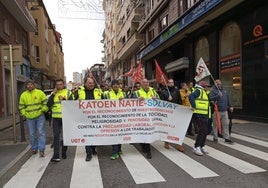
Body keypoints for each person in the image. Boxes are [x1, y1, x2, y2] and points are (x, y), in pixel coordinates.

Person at [73, 77, 102, 161]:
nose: (91, 84)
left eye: (92, 83)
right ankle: (88, 153)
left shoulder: (98, 91)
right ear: (85, 83)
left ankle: (93, 149)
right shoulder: (78, 91)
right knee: (87, 135)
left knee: (95, 135)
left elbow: (105, 101)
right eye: (89, 83)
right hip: (84, 117)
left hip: (96, 117)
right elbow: (71, 102)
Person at [19, 79, 48, 157]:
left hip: (40, 116)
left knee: (41, 133)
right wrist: (24, 114)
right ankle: (34, 148)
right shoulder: (23, 95)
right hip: (29, 117)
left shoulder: (39, 93)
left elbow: (45, 103)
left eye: (31, 84)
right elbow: (21, 106)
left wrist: (43, 110)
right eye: (28, 84)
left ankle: (41, 149)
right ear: (26, 86)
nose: (30, 86)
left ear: (34, 85)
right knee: (32, 134)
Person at [47, 79, 73, 162]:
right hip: (55, 118)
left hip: (65, 117)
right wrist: (53, 95)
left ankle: (64, 152)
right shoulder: (53, 93)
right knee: (56, 136)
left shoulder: (68, 92)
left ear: (63, 85)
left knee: (65, 136)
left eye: (60, 84)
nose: (59, 86)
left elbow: (72, 104)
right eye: (57, 84)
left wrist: (64, 101)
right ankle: (56, 155)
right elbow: (48, 105)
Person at [133, 78, 159, 159]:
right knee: (142, 132)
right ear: (141, 84)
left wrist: (156, 99)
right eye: (143, 82)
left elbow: (159, 100)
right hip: (140, 116)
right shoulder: (137, 92)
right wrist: (137, 99)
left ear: (149, 83)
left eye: (146, 82)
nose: (145, 84)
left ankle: (148, 151)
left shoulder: (153, 91)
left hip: (150, 116)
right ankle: (142, 144)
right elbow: (130, 102)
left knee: (147, 132)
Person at [103, 79, 126, 160]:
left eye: (117, 84)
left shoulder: (123, 94)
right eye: (114, 84)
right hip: (111, 118)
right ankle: (115, 152)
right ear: (111, 86)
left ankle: (119, 149)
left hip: (121, 117)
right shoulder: (106, 94)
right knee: (113, 134)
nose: (116, 85)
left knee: (119, 134)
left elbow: (128, 104)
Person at [160, 79, 185, 152]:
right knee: (168, 129)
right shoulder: (164, 92)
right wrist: (168, 100)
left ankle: (179, 144)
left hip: (176, 113)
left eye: (172, 82)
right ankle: (166, 142)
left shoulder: (177, 91)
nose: (171, 84)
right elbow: (160, 103)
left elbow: (180, 101)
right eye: (170, 83)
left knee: (178, 129)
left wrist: (182, 110)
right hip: (167, 114)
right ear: (167, 84)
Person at [209, 79, 234, 144]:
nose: (218, 84)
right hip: (216, 111)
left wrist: (230, 106)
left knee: (226, 124)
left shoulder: (224, 90)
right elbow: (210, 99)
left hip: (225, 110)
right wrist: (217, 96)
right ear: (215, 84)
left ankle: (227, 138)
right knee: (216, 125)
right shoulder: (213, 90)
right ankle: (215, 137)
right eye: (217, 83)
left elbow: (228, 98)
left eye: (219, 82)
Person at [189, 81, 210, 156]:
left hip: (204, 114)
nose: (208, 88)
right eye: (207, 86)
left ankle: (202, 146)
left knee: (205, 131)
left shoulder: (204, 92)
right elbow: (191, 96)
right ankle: (196, 147)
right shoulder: (199, 90)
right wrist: (194, 106)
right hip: (198, 113)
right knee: (202, 130)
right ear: (204, 86)